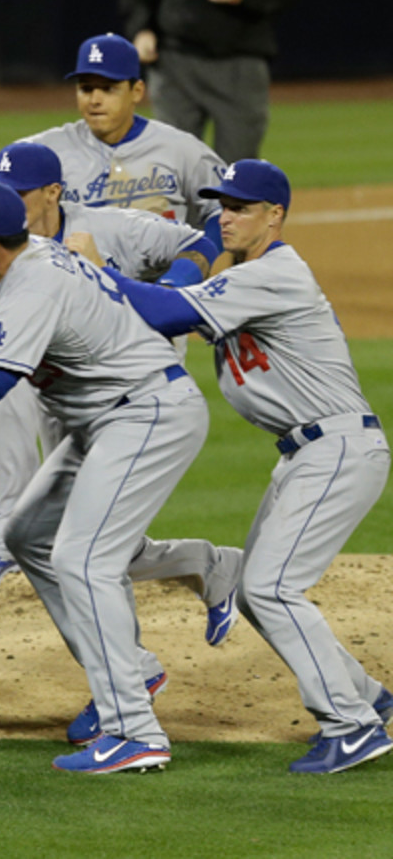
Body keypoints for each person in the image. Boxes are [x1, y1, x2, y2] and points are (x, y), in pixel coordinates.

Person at [0, 181, 209, 774]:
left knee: (83, 559)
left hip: (146, 414)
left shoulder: (34, 283)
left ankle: (135, 731)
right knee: (29, 536)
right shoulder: (32, 258)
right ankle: (134, 672)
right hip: (113, 418)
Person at [98, 159, 393, 773]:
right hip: (310, 453)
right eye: (222, 207)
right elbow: (174, 300)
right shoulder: (247, 277)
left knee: (270, 587)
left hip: (336, 450)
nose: (225, 218)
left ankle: (352, 726)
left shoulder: (276, 272)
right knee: (258, 593)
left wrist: (91, 275)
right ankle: (366, 697)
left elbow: (167, 312)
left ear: (275, 215)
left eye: (240, 208)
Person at [0, 33, 226, 588]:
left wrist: (172, 294)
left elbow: (218, 222)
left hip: (136, 339)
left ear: (136, 90)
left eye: (107, 87)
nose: (94, 98)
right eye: (85, 87)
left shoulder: (170, 163)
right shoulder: (14, 223)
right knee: (23, 400)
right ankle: (10, 540)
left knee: (97, 479)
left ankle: (139, 559)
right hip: (62, 342)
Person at [121, 0, 290, 163]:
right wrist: (141, 27)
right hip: (173, 58)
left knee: (237, 166)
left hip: (241, 58)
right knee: (175, 162)